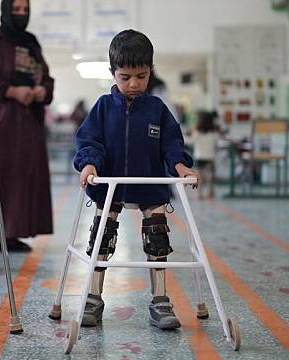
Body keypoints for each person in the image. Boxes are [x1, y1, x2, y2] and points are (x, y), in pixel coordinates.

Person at [74, 30, 199, 330]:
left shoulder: (157, 109)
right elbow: (90, 141)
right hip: (111, 185)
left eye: (141, 76)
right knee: (101, 235)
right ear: (112, 73)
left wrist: (181, 167)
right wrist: (89, 165)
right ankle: (93, 297)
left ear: (150, 72)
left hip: (149, 185)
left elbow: (172, 144)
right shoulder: (104, 107)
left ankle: (160, 300)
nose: (133, 84)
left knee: (157, 236)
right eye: (125, 77)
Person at [0, 0, 54, 253]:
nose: (21, 14)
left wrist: (42, 90)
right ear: (6, 10)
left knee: (23, 178)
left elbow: (46, 76)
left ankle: (12, 233)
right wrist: (11, 91)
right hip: (3, 122)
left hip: (30, 123)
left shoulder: (32, 42)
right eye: (16, 9)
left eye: (24, 9)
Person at [187, 111, 219, 199]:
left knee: (200, 177)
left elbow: (191, 141)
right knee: (211, 176)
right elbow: (218, 142)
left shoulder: (197, 132)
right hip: (210, 157)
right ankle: (211, 192)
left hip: (200, 157)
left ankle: (198, 193)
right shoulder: (214, 133)